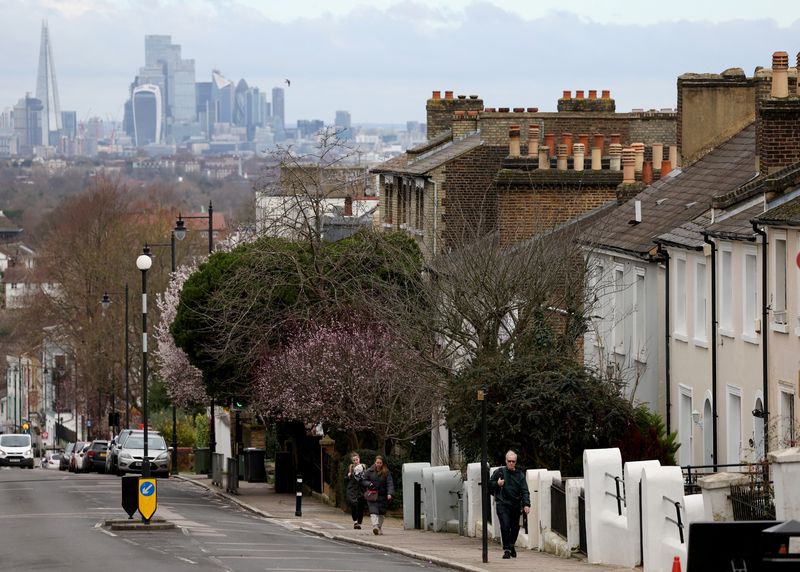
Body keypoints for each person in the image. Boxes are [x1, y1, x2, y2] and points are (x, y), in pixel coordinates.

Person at [489, 450, 531, 559]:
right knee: (505, 525)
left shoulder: (520, 475)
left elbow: (525, 490)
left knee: (515, 527)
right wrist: (497, 484)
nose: (511, 463)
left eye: (513, 461)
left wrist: (526, 504)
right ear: (506, 461)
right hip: (502, 503)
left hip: (515, 505)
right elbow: (488, 485)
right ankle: (506, 549)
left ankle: (512, 544)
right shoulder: (500, 472)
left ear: (515, 462)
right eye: (509, 461)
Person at [361, 454, 394, 535]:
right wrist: (369, 484)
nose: (378, 464)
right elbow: (363, 481)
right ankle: (375, 526)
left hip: (383, 496)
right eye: (377, 462)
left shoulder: (386, 472)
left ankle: (379, 527)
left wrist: (390, 493)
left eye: (380, 463)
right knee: (373, 512)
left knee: (381, 514)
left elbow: (390, 483)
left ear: (382, 463)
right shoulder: (369, 471)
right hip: (372, 495)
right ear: (375, 463)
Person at [346, 452, 367, 529]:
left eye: (357, 459)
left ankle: (359, 523)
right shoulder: (350, 467)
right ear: (352, 461)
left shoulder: (364, 467)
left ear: (359, 459)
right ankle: (355, 522)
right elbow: (345, 478)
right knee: (354, 504)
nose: (355, 461)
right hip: (352, 489)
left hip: (361, 489)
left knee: (361, 506)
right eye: (354, 460)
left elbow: (367, 476)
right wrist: (348, 475)